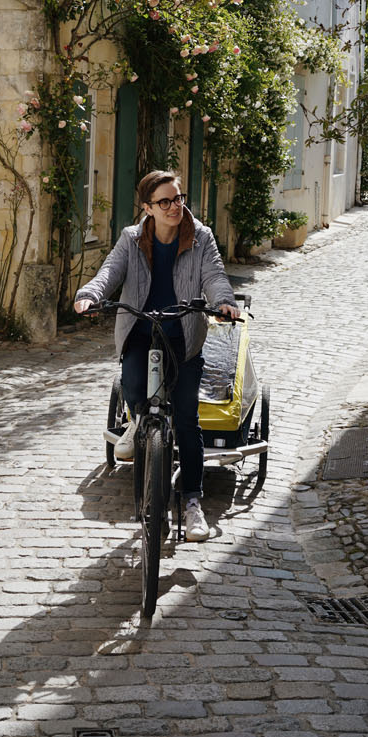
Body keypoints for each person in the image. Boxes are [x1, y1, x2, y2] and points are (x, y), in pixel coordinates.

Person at [74, 170, 239, 542]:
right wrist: (90, 295)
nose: (175, 207)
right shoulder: (131, 240)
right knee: (132, 385)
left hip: (183, 337)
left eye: (178, 198)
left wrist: (224, 302)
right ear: (147, 208)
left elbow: (214, 276)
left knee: (186, 421)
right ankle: (136, 424)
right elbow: (109, 272)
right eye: (164, 201)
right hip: (140, 333)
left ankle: (194, 503)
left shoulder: (201, 238)